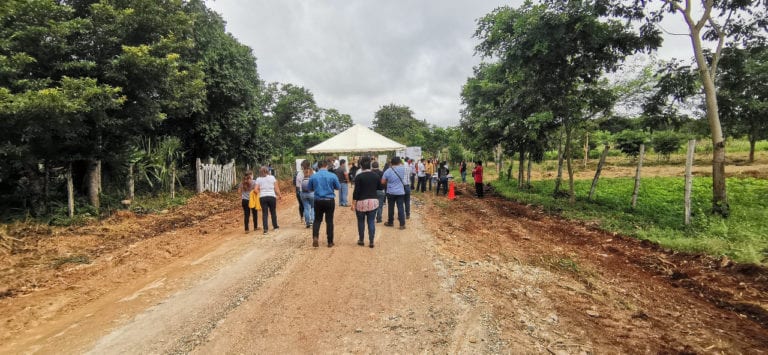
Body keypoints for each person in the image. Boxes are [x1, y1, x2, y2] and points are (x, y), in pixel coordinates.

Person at [308, 159, 341, 247]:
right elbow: (338, 187)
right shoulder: (332, 175)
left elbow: (309, 189)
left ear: (318, 166)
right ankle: (330, 242)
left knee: (317, 220)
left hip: (318, 200)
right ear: (327, 166)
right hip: (329, 200)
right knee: (329, 221)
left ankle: (315, 237)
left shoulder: (313, 176)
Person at [352, 156, 382, 248]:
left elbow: (356, 191)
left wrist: (353, 203)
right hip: (373, 202)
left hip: (361, 202)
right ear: (370, 166)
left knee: (361, 222)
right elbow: (380, 187)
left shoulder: (359, 177)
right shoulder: (376, 176)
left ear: (361, 166)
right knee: (371, 221)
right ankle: (371, 241)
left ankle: (361, 240)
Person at [254, 166, 282, 234]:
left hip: (263, 197)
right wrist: (279, 195)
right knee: (273, 212)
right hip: (272, 197)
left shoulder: (258, 179)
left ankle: (265, 229)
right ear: (267, 171)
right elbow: (276, 188)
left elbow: (255, 190)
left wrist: (260, 193)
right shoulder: (272, 177)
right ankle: (275, 227)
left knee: (265, 213)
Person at [381, 157, 407, 230]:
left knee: (391, 208)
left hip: (391, 192)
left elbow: (382, 182)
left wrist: (388, 181)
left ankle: (390, 222)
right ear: (399, 162)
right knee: (400, 207)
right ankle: (402, 224)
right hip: (400, 192)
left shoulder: (388, 171)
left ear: (391, 163)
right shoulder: (403, 169)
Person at [296, 160, 315, 228]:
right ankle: (312, 220)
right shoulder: (313, 172)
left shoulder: (299, 174)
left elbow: (297, 186)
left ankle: (307, 223)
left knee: (306, 208)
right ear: (309, 165)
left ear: (302, 166)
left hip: (303, 193)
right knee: (313, 207)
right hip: (312, 192)